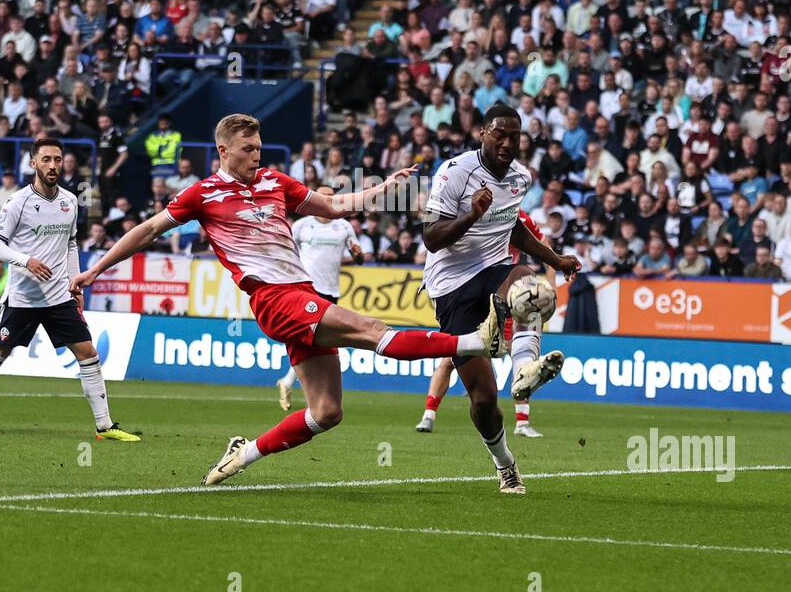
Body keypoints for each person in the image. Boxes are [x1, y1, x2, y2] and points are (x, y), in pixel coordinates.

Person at [71, 114, 507, 486]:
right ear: (224, 150)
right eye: (247, 149)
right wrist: (94, 270)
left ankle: (243, 454)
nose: (256, 154)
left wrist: (383, 189)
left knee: (327, 412)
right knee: (372, 330)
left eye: (259, 147)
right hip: (274, 300)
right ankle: (476, 341)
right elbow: (147, 230)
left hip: (303, 294)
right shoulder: (202, 193)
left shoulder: (274, 181)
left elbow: (334, 206)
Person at [418, 104, 582, 493]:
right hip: (451, 286)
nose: (508, 143)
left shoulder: (521, 178)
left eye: (515, 136)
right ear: (483, 134)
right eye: (500, 134)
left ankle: (524, 370)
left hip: (493, 271)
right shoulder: (454, 172)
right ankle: (505, 463)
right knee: (484, 399)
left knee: (531, 284)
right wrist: (471, 216)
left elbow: (515, 232)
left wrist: (555, 259)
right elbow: (431, 237)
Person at [0, 138, 140, 441]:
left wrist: (76, 283)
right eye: (46, 159)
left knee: (88, 352)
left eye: (57, 159)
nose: (53, 166)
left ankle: (105, 426)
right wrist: (26, 261)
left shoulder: (70, 201)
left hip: (59, 294)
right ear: (34, 163)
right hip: (23, 296)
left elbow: (70, 243)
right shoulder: (17, 202)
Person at [415, 210, 551, 438]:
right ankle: (428, 415)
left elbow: (543, 243)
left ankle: (522, 422)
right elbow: (440, 243)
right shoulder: (468, 212)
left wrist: (553, 276)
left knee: (518, 354)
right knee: (450, 358)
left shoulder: (520, 218)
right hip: (472, 292)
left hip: (504, 292)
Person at [276, 186, 365, 411]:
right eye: (322, 196)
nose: (326, 200)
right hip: (306, 288)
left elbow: (359, 258)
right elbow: (287, 252)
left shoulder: (343, 226)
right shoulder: (302, 225)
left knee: (317, 341)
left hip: (331, 290)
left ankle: (289, 382)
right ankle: (311, 392)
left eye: (330, 196)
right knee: (314, 339)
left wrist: (357, 253)